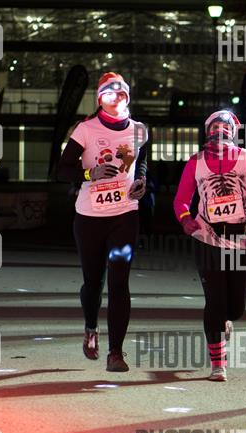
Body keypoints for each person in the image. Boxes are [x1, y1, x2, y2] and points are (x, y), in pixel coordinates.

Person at [173, 110, 246, 382]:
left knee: (236, 308)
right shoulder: (195, 162)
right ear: (207, 132)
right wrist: (185, 219)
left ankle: (227, 319)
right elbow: (181, 200)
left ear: (233, 132)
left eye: (225, 128)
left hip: (241, 241)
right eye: (215, 128)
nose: (220, 133)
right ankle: (219, 364)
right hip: (207, 238)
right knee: (215, 302)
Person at [57, 72, 149, 372]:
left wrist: (142, 180)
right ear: (100, 99)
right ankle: (90, 327)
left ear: (128, 97)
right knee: (93, 283)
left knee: (119, 282)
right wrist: (90, 174)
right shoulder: (85, 129)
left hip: (125, 215)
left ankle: (116, 353)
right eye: (109, 93)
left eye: (121, 93)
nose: (116, 98)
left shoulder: (139, 130)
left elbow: (142, 161)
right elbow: (62, 170)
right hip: (90, 218)